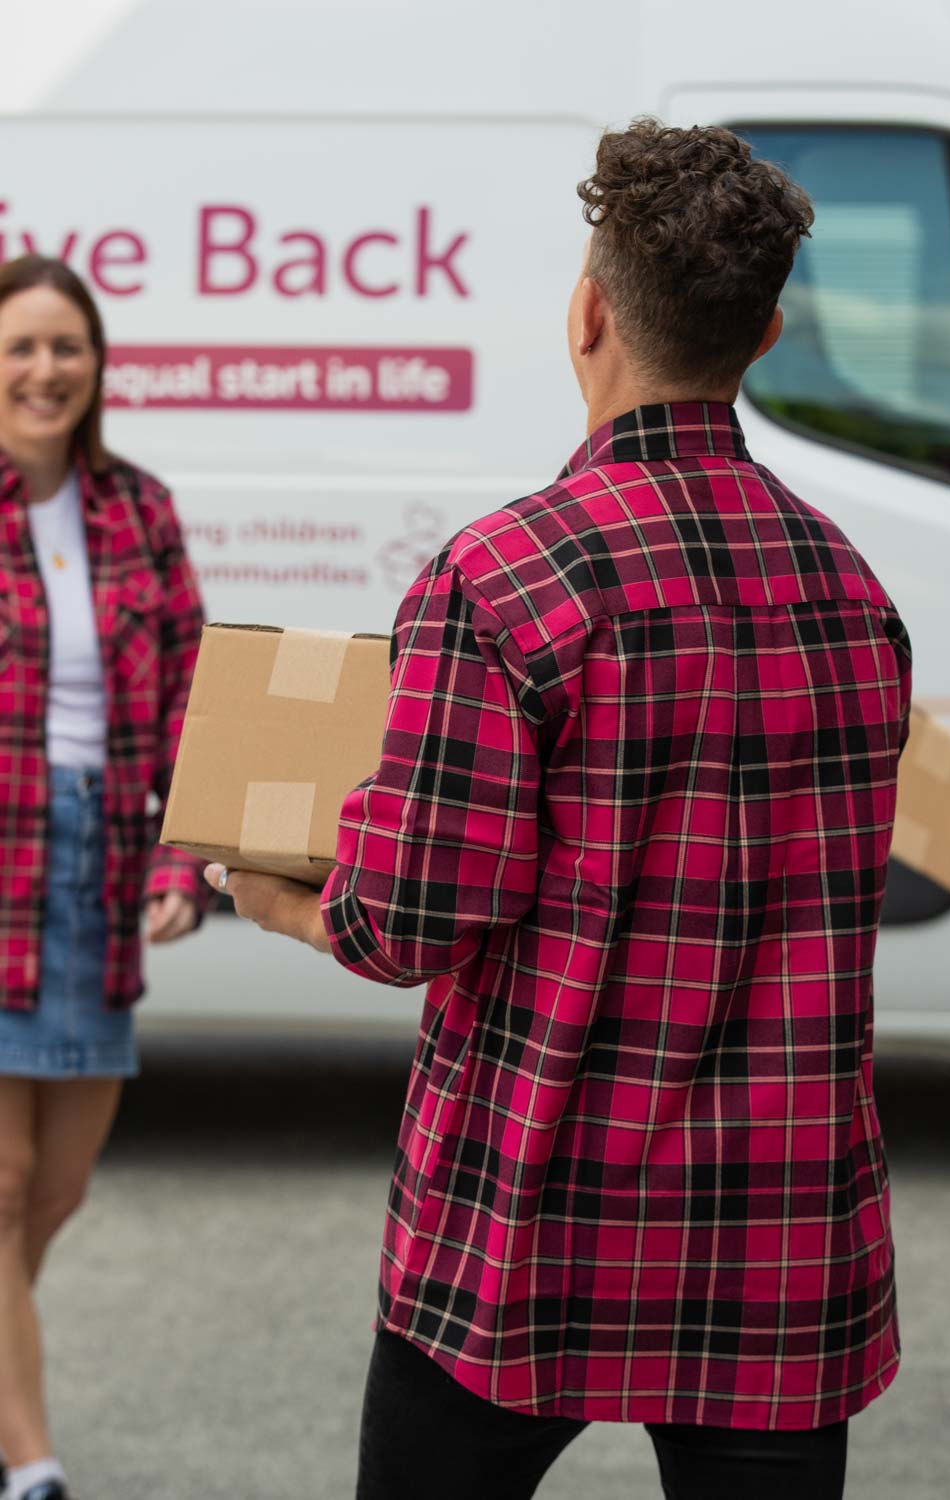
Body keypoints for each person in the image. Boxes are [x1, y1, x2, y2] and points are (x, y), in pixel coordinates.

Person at [210, 119, 911, 1500]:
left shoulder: (506, 579)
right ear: (767, 336)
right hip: (776, 1237)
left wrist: (281, 902)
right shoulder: (852, 591)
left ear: (588, 313)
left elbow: (411, 918)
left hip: (531, 1216)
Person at [0, 255, 206, 1500]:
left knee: (61, 1188)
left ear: (97, 365)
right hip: (0, 857)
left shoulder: (139, 510)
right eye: (20, 346)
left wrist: (180, 856)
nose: (45, 369)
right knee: (3, 1182)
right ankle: (29, 1460)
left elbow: (191, 703)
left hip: (96, 868)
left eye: (66, 346)